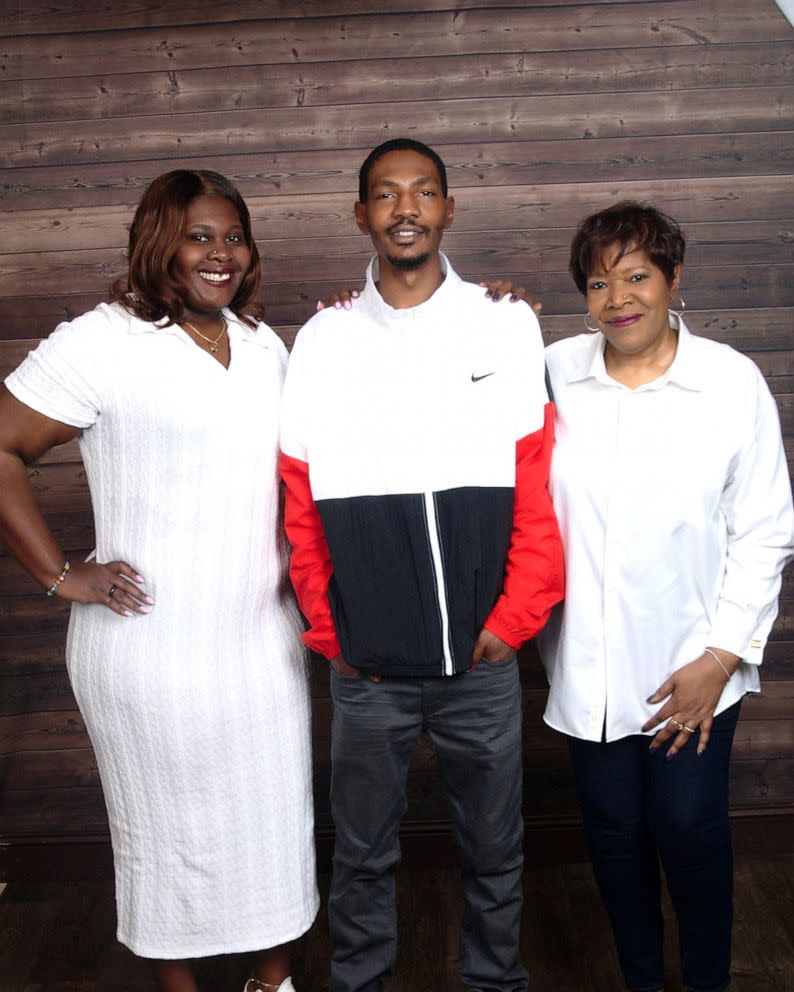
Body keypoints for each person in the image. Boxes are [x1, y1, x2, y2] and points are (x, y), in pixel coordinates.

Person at [0, 170, 318, 992]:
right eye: (198, 235)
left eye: (233, 236)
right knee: (164, 829)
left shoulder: (261, 345)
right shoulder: (99, 341)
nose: (220, 254)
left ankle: (271, 980)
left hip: (259, 642)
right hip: (148, 650)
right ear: (157, 243)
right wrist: (60, 574)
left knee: (273, 822)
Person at [279, 137, 565, 992]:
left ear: (448, 208)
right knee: (362, 854)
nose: (405, 207)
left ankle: (495, 984)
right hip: (368, 669)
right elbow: (299, 498)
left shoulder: (506, 321)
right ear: (361, 214)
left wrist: (513, 624)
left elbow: (535, 485)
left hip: (480, 660)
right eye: (385, 194)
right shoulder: (323, 338)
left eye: (423, 191)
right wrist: (333, 633)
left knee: (495, 848)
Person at [537, 201, 794, 992]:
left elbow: (764, 529)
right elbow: (450, 381)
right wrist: (368, 308)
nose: (619, 298)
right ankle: (642, 981)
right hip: (587, 666)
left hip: (692, 666)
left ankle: (708, 982)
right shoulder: (549, 371)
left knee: (688, 829)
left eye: (637, 276)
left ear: (673, 277)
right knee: (614, 838)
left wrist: (720, 658)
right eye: (598, 282)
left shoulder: (727, 381)